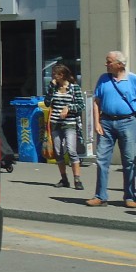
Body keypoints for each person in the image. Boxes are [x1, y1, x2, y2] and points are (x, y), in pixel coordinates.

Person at [90, 50, 136, 208]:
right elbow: (96, 102)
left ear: (120, 64)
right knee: (102, 160)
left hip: (127, 122)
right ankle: (100, 196)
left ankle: (130, 197)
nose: (106, 64)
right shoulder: (103, 79)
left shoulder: (132, 79)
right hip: (106, 123)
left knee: (129, 160)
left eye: (109, 62)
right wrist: (97, 122)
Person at [43, 63, 84, 189]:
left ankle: (77, 179)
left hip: (70, 123)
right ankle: (64, 179)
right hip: (56, 123)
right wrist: (51, 88)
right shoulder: (54, 88)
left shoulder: (74, 88)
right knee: (58, 151)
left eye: (55, 74)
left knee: (71, 150)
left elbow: (81, 105)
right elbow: (47, 102)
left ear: (62, 75)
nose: (53, 76)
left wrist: (69, 107)